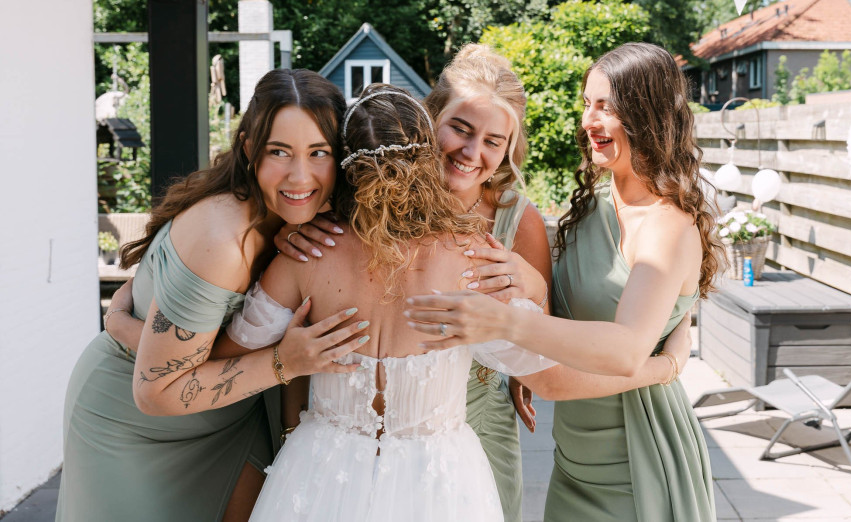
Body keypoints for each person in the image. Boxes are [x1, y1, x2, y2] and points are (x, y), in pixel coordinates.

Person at [406, 42, 722, 521]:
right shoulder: (594, 203)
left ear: (649, 116)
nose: (588, 121)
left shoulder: (666, 226)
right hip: (573, 458)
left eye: (606, 107)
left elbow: (618, 351)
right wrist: (532, 288)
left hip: (636, 450)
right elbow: (571, 306)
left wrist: (668, 365)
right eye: (586, 104)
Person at [57, 69, 368, 522]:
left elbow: (144, 291)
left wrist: (128, 327)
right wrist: (287, 361)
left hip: (230, 417)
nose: (301, 175)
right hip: (135, 427)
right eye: (278, 152)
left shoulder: (298, 214)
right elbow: (156, 393)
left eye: (318, 152)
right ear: (248, 149)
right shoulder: (222, 241)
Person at [234, 85, 556, 522]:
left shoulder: (305, 254)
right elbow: (537, 358)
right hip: (439, 480)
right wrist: (533, 290)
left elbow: (231, 349)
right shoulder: (474, 257)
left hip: (321, 472)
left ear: (344, 167)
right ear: (428, 158)